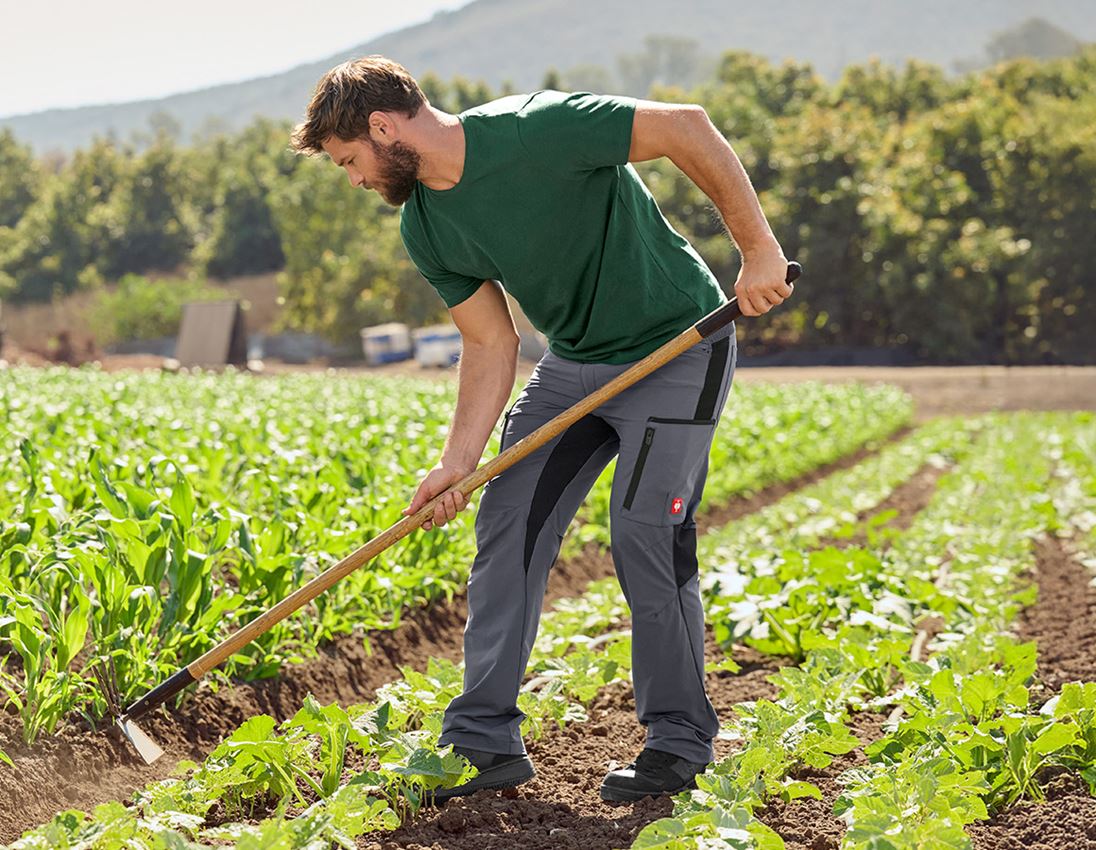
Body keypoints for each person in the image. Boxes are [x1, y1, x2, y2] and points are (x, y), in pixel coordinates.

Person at [291, 55, 793, 803]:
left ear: (382, 126)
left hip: (678, 345)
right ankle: (483, 741)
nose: (355, 179)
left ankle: (680, 741)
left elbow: (688, 129)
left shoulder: (539, 129)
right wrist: (456, 462)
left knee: (644, 533)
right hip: (576, 366)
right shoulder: (427, 226)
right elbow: (492, 344)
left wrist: (758, 251)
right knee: (509, 523)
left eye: (349, 161)